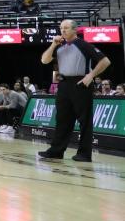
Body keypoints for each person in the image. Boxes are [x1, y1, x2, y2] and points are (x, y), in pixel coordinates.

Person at [38, 20, 112, 162]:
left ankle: (84, 154)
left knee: (85, 121)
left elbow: (105, 61)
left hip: (80, 84)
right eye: (61, 28)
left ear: (74, 30)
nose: (63, 30)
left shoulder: (84, 45)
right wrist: (53, 44)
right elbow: (44, 60)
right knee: (62, 119)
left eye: (66, 28)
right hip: (64, 84)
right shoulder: (59, 46)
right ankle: (56, 151)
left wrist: (91, 75)